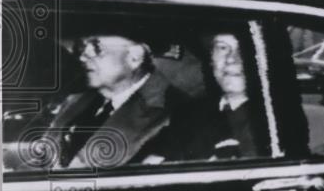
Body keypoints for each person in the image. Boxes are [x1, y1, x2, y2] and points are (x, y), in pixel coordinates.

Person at [40, 29, 183, 169]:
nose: (82, 57)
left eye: (96, 47)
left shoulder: (176, 115)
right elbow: (42, 158)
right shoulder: (76, 100)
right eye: (83, 47)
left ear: (134, 57)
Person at [171, 33, 272, 160]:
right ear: (211, 60)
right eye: (222, 48)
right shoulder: (188, 114)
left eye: (245, 48)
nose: (232, 59)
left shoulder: (276, 120)